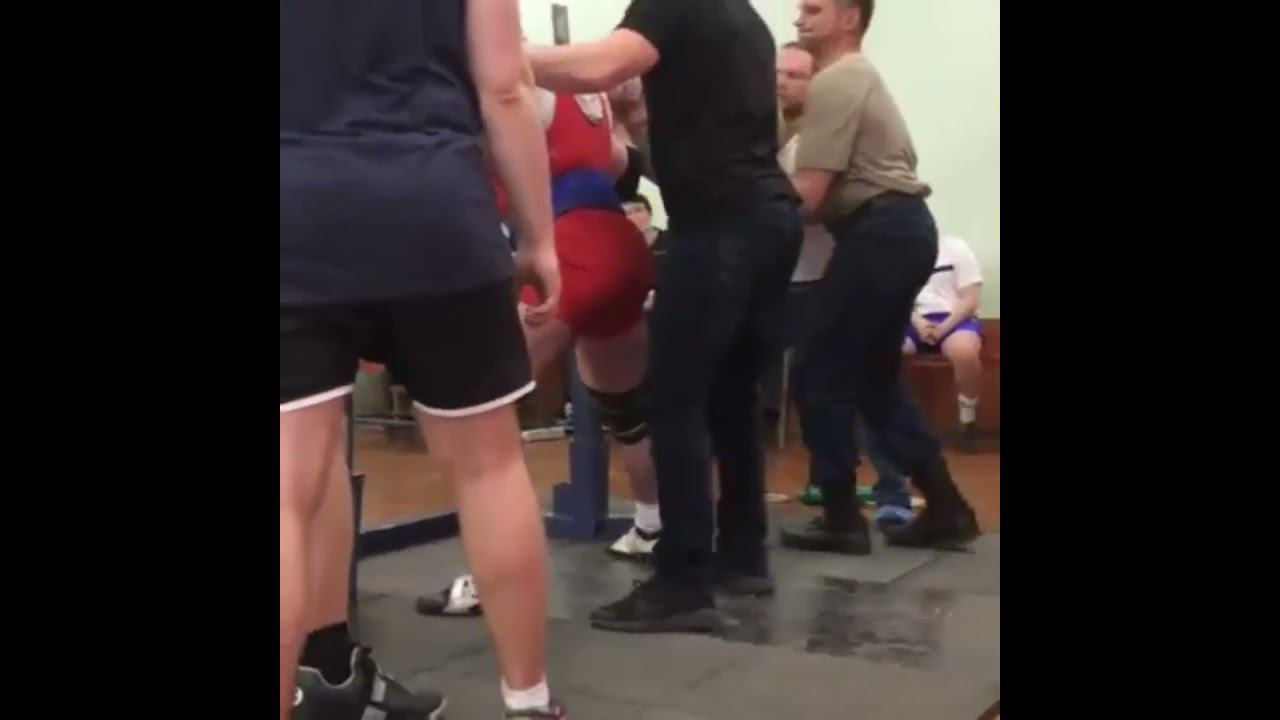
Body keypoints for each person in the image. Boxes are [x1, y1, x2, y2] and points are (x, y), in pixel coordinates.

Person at [280, 1, 565, 718]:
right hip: (434, 204)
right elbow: (505, 87)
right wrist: (539, 236)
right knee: (489, 468)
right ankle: (529, 702)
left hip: (296, 211)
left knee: (284, 491)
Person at [527, 0, 804, 634]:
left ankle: (682, 580)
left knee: (673, 400)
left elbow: (599, 66)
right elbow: (688, 141)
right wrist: (632, 119)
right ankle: (743, 556)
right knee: (731, 396)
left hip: (719, 227)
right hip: (767, 218)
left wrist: (500, 58)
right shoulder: (746, 21)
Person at [416, 87, 664, 618]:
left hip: (567, 249)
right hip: (619, 246)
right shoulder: (587, 96)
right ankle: (652, 526)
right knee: (625, 408)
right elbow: (619, 163)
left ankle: (491, 579)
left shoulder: (509, 87)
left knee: (487, 420)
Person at [778, 0, 978, 555]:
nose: (798, 18)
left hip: (881, 232)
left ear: (850, 18)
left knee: (817, 368)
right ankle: (947, 507)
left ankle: (842, 518)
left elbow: (809, 198)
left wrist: (738, 205)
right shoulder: (851, 80)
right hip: (900, 230)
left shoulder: (838, 80)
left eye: (813, 9)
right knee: (873, 380)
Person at [774, 40, 916, 530]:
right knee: (814, 384)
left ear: (817, 82)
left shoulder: (827, 132)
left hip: (837, 271)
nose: (782, 82)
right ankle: (833, 487)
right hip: (789, 279)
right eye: (777, 74)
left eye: (795, 75)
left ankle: (889, 492)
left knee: (862, 382)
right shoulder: (774, 138)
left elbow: (812, 203)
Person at [906, 234, 986, 453]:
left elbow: (970, 299)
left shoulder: (956, 247)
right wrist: (919, 324)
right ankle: (894, 425)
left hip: (955, 318)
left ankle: (967, 421)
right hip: (914, 319)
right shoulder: (896, 253)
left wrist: (942, 328)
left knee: (964, 352)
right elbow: (897, 299)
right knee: (881, 350)